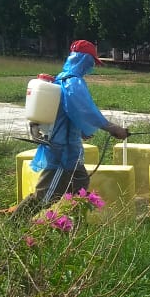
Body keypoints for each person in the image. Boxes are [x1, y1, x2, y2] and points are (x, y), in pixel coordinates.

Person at [12, 40, 129, 220]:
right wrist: (112, 128)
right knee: (45, 195)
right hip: (62, 150)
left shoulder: (61, 78)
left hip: (70, 146)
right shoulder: (73, 82)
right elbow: (84, 109)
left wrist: (81, 131)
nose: (91, 67)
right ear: (83, 60)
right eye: (91, 62)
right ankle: (14, 225)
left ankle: (73, 225)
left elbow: (69, 112)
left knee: (80, 187)